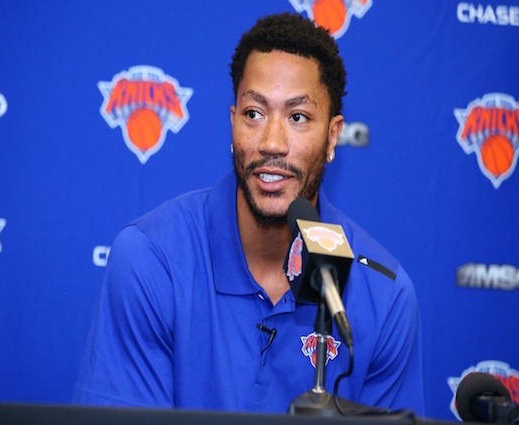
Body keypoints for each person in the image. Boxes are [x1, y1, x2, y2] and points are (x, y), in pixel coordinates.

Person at [73, 12, 424, 416]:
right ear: (232, 123)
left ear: (332, 136)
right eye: (254, 113)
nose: (272, 142)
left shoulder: (384, 295)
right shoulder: (152, 259)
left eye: (298, 117)